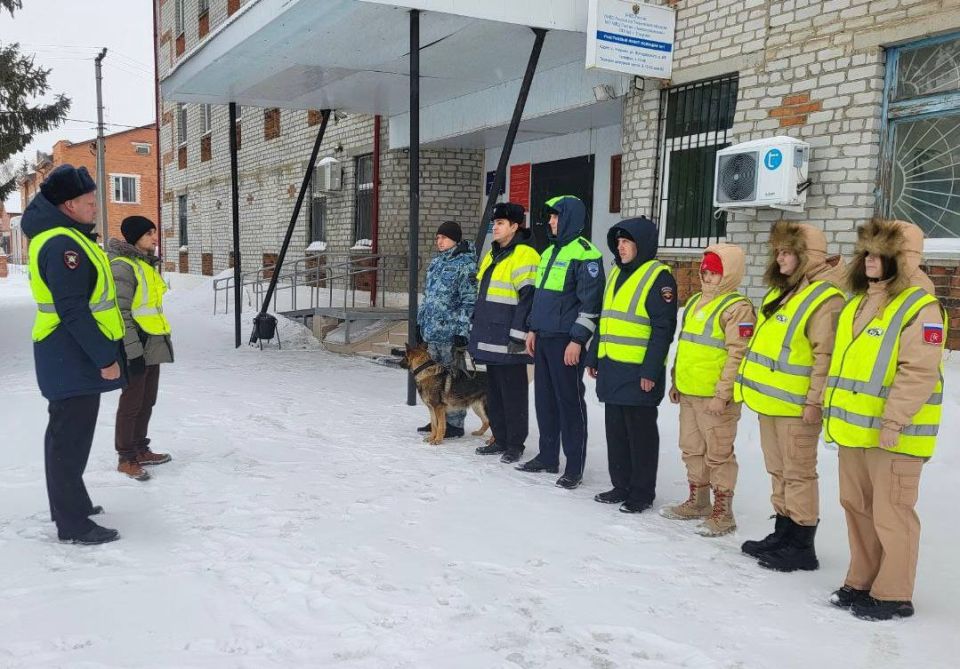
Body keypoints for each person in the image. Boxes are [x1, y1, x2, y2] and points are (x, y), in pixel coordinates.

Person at [823, 219, 944, 621]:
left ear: (902, 259)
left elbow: (918, 373)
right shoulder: (860, 302)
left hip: (896, 435)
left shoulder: (920, 306)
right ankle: (862, 579)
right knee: (856, 506)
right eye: (867, 252)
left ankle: (894, 593)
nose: (870, 260)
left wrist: (893, 422)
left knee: (892, 514)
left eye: (880, 254)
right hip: (855, 431)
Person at [21, 164, 125, 545]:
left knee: (71, 437)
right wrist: (104, 358)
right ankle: (73, 524)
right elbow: (73, 309)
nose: (94, 206)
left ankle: (72, 505)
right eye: (88, 201)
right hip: (70, 353)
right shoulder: (63, 245)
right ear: (68, 205)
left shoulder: (66, 237)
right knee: (68, 440)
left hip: (68, 352)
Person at [734, 221, 844, 572]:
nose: (779, 258)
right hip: (772, 403)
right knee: (778, 470)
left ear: (806, 256)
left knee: (798, 474)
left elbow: (824, 356)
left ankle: (801, 544)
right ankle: (783, 531)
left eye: (787, 252)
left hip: (798, 407)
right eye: (777, 252)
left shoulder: (826, 299)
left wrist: (815, 401)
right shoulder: (782, 292)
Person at [586, 217, 678, 513]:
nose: (620, 247)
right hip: (613, 367)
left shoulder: (658, 277)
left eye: (627, 242)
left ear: (642, 245)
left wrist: (651, 371)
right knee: (616, 431)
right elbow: (605, 318)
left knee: (640, 436)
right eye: (618, 242)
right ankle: (620, 485)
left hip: (639, 373)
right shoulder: (616, 273)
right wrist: (594, 356)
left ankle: (641, 493)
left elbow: (663, 329)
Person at [662, 244, 755, 536]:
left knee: (718, 454)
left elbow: (737, 356)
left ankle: (723, 512)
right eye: (705, 272)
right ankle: (698, 501)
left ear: (729, 275)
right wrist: (676, 380)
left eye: (715, 273)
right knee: (692, 449)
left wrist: (722, 395)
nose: (708, 277)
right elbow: (685, 345)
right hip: (689, 393)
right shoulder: (694, 303)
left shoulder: (737, 308)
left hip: (716, 400)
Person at [518, 195, 604, 489]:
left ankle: (574, 467)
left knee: (569, 402)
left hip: (566, 342)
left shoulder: (586, 254)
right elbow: (540, 299)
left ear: (569, 218)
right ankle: (547, 456)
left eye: (555, 216)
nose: (551, 221)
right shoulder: (549, 253)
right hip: (543, 339)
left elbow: (590, 304)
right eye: (550, 216)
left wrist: (578, 340)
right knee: (544, 400)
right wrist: (532, 329)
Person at [468, 202, 540, 463]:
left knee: (514, 395)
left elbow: (528, 299)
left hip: (509, 339)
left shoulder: (525, 255)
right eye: (494, 223)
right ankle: (499, 438)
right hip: (490, 337)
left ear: (515, 226)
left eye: (500, 223)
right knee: (495, 393)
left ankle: (515, 444)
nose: (494, 228)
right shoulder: (493, 253)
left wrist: (518, 336)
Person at [109, 216, 174, 481]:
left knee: (147, 400)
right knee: (132, 402)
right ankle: (126, 457)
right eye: (149, 233)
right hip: (136, 345)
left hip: (153, 343)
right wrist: (132, 350)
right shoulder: (123, 266)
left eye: (154, 233)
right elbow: (121, 312)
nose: (154, 238)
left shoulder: (144, 265)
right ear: (135, 237)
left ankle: (140, 448)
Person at [415, 220, 478, 439]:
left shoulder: (465, 263)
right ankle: (436, 419)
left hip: (451, 333)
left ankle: (455, 424)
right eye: (438, 238)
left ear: (455, 239)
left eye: (443, 237)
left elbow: (468, 300)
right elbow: (428, 297)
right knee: (432, 381)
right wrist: (419, 323)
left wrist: (462, 330)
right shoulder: (436, 263)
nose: (439, 241)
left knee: (454, 381)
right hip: (432, 333)